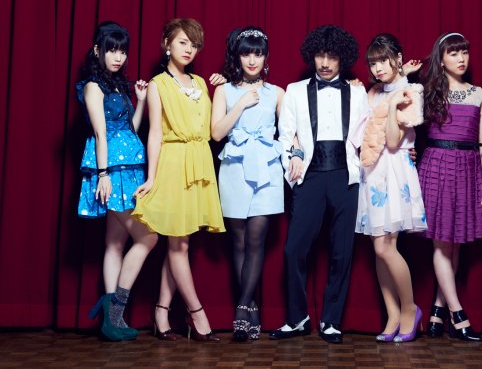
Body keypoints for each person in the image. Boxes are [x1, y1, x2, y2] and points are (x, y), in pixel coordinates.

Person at [269, 25, 368, 344]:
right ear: (311, 56)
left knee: (342, 251)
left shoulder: (358, 92)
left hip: (345, 175)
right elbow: (285, 135)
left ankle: (331, 321)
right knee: (294, 249)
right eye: (320, 56)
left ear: (343, 59)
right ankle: (297, 318)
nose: (325, 63)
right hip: (309, 175)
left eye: (332, 57)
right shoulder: (295, 90)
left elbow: (368, 135)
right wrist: (294, 158)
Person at [132, 18, 225, 342]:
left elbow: (213, 127)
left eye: (194, 44)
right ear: (167, 44)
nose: (189, 49)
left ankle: (161, 312)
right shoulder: (158, 84)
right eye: (183, 42)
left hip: (199, 163)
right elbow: (155, 133)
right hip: (173, 164)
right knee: (179, 244)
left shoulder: (200, 83)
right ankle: (197, 314)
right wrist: (151, 177)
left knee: (179, 242)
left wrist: (224, 87)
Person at [78, 21, 158, 341]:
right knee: (148, 237)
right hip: (112, 172)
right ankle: (114, 311)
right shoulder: (92, 87)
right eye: (111, 50)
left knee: (115, 242)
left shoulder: (117, 85)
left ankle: (111, 320)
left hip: (130, 167)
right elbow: (100, 133)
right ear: (97, 50)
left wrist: (140, 101)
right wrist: (103, 175)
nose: (118, 57)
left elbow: (130, 129)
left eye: (122, 51)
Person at [210, 26, 284, 341]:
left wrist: (295, 155)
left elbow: (290, 132)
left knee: (256, 239)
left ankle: (241, 308)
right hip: (234, 169)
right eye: (246, 53)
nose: (252, 60)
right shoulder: (224, 91)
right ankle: (250, 308)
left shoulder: (278, 92)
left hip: (267, 170)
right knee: (238, 242)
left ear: (266, 57)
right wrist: (240, 104)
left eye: (258, 53)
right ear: (237, 56)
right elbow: (216, 133)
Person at [355, 34, 427, 343]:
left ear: (397, 58)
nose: (378, 68)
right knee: (378, 248)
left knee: (386, 246)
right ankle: (393, 314)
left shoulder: (410, 93)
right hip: (372, 172)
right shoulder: (373, 91)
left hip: (395, 169)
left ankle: (410, 309)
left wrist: (394, 101)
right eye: (373, 63)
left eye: (384, 60)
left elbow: (395, 141)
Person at [416, 32, 482, 342]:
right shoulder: (427, 91)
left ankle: (437, 312)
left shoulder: (479, 93)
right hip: (437, 165)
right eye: (454, 53)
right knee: (442, 243)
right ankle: (458, 314)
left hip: (468, 167)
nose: (461, 58)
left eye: (464, 52)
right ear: (441, 59)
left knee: (455, 242)